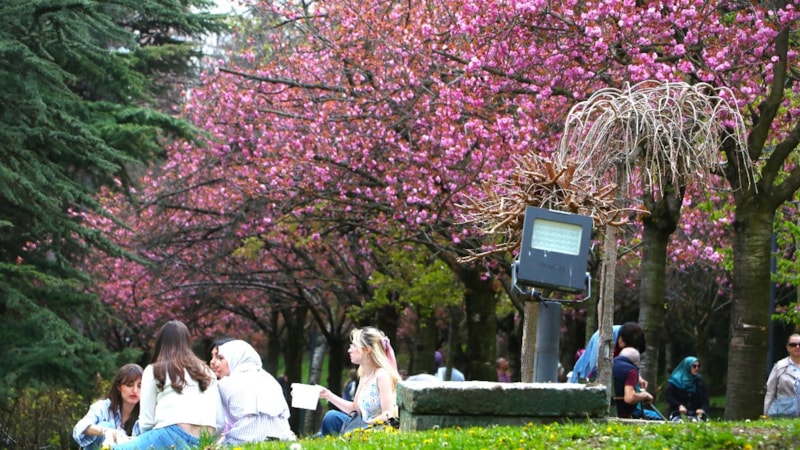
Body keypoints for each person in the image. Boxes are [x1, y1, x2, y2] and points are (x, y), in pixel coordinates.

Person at [113, 320, 224, 450]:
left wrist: (148, 441)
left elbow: (147, 422)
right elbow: (219, 421)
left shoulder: (154, 369)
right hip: (205, 439)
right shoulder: (208, 372)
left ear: (161, 343)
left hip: (171, 433)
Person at [317, 327, 401, 436]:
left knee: (331, 419)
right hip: (362, 427)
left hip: (376, 430)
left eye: (354, 346)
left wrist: (362, 426)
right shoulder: (364, 375)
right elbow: (355, 409)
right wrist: (328, 395)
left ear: (367, 350)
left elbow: (388, 414)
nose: (349, 350)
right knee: (331, 417)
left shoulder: (382, 375)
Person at [215, 340, 295, 444]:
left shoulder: (225, 383)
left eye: (221, 358)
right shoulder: (271, 380)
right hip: (283, 439)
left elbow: (219, 423)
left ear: (233, 358)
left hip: (242, 440)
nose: (216, 363)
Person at [73, 364, 143, 449]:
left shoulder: (146, 417)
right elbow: (79, 428)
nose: (135, 390)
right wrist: (106, 431)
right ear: (119, 387)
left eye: (139, 386)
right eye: (129, 385)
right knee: (106, 425)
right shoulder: (103, 407)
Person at [570, 322, 647, 385]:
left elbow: (629, 364)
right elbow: (595, 367)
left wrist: (637, 377)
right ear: (621, 339)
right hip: (586, 377)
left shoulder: (629, 337)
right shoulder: (603, 337)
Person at [612, 347, 659, 420]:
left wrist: (638, 377)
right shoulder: (631, 371)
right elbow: (629, 398)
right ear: (636, 363)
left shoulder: (609, 365)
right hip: (624, 412)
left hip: (608, 408)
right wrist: (645, 395)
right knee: (656, 416)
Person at [764, 333, 800, 417]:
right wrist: (766, 414)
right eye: (793, 345)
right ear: (788, 347)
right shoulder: (779, 366)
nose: (797, 347)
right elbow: (770, 392)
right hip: (784, 413)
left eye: (799, 344)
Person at [665, 356, 709, 422]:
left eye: (698, 366)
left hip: (695, 414)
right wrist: (679, 405)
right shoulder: (675, 381)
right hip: (677, 413)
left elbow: (705, 399)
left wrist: (702, 409)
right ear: (687, 366)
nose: (696, 368)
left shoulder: (699, 381)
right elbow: (669, 396)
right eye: (694, 366)